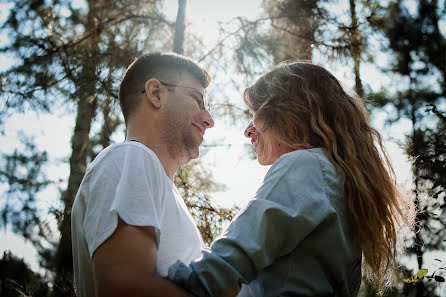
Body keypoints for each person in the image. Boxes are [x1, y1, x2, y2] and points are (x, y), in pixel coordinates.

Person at [169, 61, 414, 297]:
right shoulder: (337, 180)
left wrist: (151, 272)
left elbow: (220, 270)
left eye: (256, 113)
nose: (247, 130)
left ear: (290, 114)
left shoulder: (305, 166)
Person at [71, 52, 215, 297]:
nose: (209, 119)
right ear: (156, 93)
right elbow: (126, 288)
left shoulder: (151, 177)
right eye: (196, 100)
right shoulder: (131, 157)